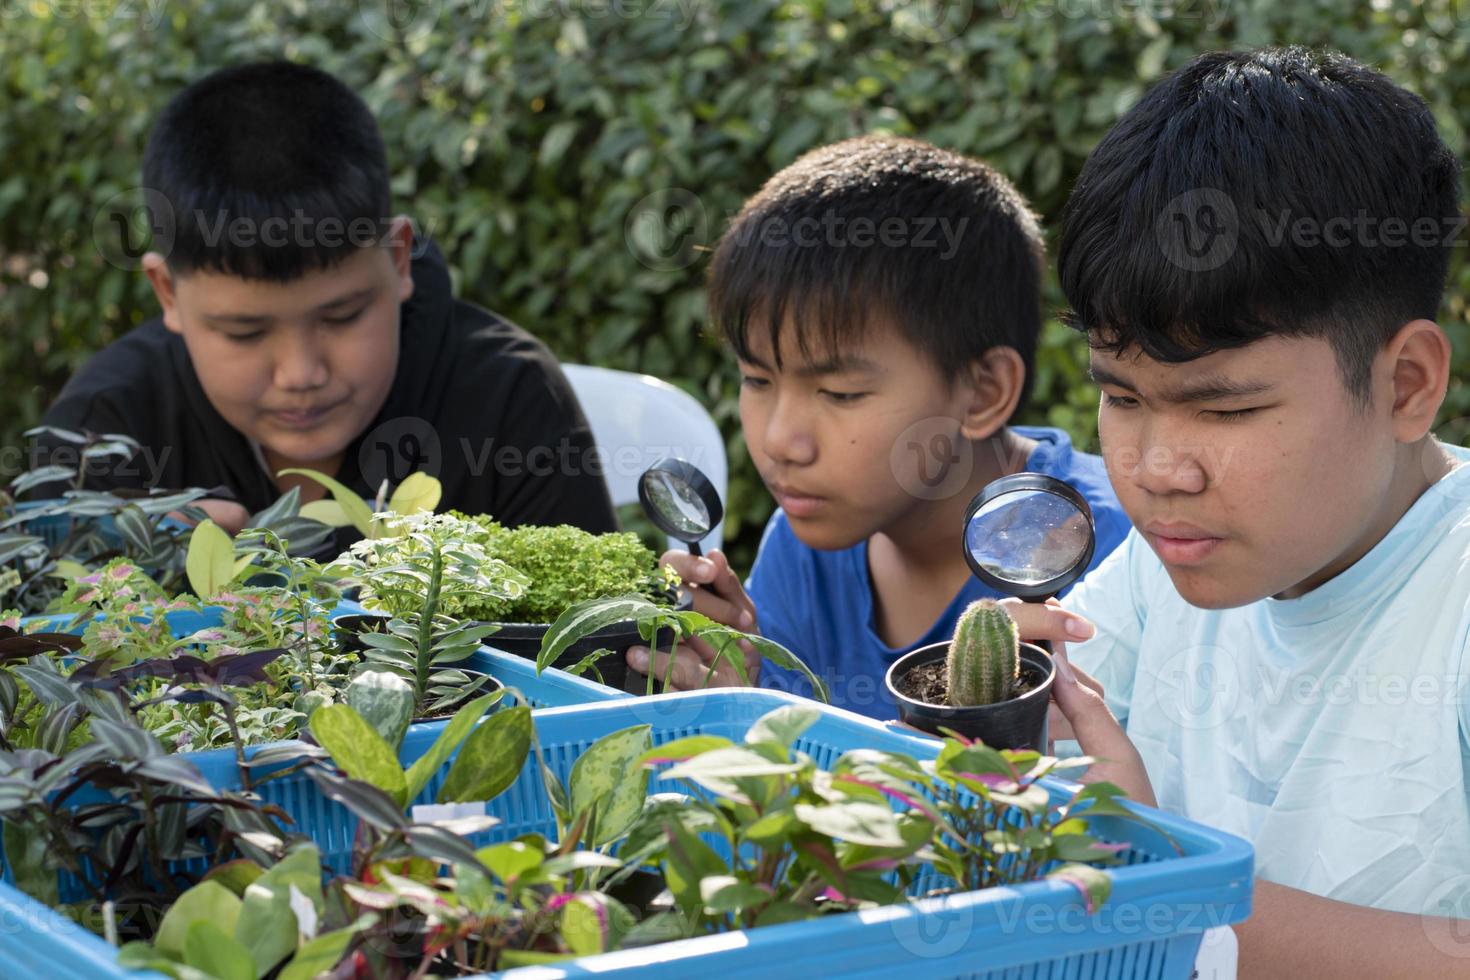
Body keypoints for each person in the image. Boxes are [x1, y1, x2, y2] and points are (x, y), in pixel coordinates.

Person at [1006, 47, 1470, 976]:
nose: (1158, 470)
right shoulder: (1160, 570)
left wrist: (1157, 878)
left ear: (1406, 384)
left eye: (1226, 409)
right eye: (1123, 398)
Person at [626, 136, 1131, 717]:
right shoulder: (803, 544)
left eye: (841, 393)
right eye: (757, 379)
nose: (778, 442)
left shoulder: (1110, 550)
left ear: (983, 391)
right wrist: (738, 703)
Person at [38, 61, 616, 543]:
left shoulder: (509, 403)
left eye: (342, 316)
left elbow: (590, 659)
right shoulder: (102, 434)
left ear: (396, 260)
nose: (301, 374)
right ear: (167, 291)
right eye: (244, 332)